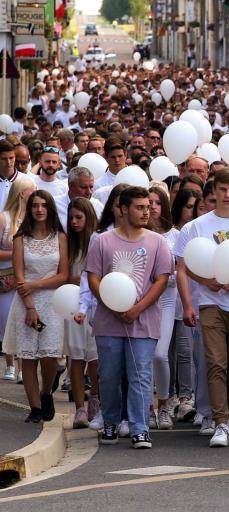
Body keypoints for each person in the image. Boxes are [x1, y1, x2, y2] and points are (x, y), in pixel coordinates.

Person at [174, 167, 229, 449]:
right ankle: (221, 422)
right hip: (209, 304)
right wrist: (195, 295)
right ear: (214, 192)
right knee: (215, 363)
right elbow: (182, 268)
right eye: (221, 190)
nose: (226, 195)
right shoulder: (196, 227)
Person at [87, 186, 173, 449]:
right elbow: (93, 277)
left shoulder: (157, 242)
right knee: (109, 376)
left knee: (140, 375)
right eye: (139, 207)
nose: (146, 211)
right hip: (108, 322)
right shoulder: (103, 241)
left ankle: (140, 428)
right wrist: (112, 305)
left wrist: (137, 308)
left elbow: (161, 280)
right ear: (123, 209)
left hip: (144, 321)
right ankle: (111, 421)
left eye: (147, 207)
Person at [11, 190, 68, 423]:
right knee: (28, 357)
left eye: (44, 205)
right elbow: (19, 277)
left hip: (53, 301)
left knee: (50, 355)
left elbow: (63, 275)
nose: (40, 209)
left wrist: (36, 284)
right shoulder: (20, 238)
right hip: (26, 302)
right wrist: (30, 306)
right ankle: (35, 408)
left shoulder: (60, 237)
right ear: (30, 209)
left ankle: (47, 393)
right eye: (35, 205)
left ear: (50, 208)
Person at [147, 186, 183, 431]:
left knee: (160, 354)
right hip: (143, 299)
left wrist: (162, 277)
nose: (151, 208)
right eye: (147, 203)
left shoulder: (175, 234)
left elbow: (180, 271)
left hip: (167, 298)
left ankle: (164, 404)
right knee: (144, 357)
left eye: (156, 203)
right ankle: (146, 407)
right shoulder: (138, 234)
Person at [65, 198, 100, 429]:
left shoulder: (98, 242)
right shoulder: (68, 244)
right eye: (71, 218)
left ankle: (95, 401)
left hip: (96, 303)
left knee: (95, 357)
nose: (75, 222)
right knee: (76, 357)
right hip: (71, 303)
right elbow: (65, 274)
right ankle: (79, 407)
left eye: (79, 217)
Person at [0, 177, 35, 381]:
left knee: (24, 320)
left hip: (26, 277)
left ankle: (23, 366)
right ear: (23, 194)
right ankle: (10, 363)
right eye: (33, 191)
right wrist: (16, 253)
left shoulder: (34, 218)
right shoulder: (4, 218)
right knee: (6, 321)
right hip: (5, 278)